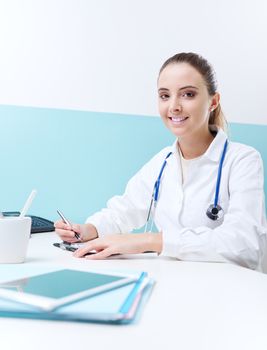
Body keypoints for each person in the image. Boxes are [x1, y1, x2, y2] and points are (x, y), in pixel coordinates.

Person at [55, 52, 267, 270]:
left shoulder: (242, 160)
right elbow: (124, 211)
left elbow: (244, 246)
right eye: (165, 96)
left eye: (188, 94)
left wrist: (150, 241)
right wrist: (89, 229)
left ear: (213, 101)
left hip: (229, 291)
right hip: (174, 283)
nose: (174, 106)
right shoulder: (163, 162)